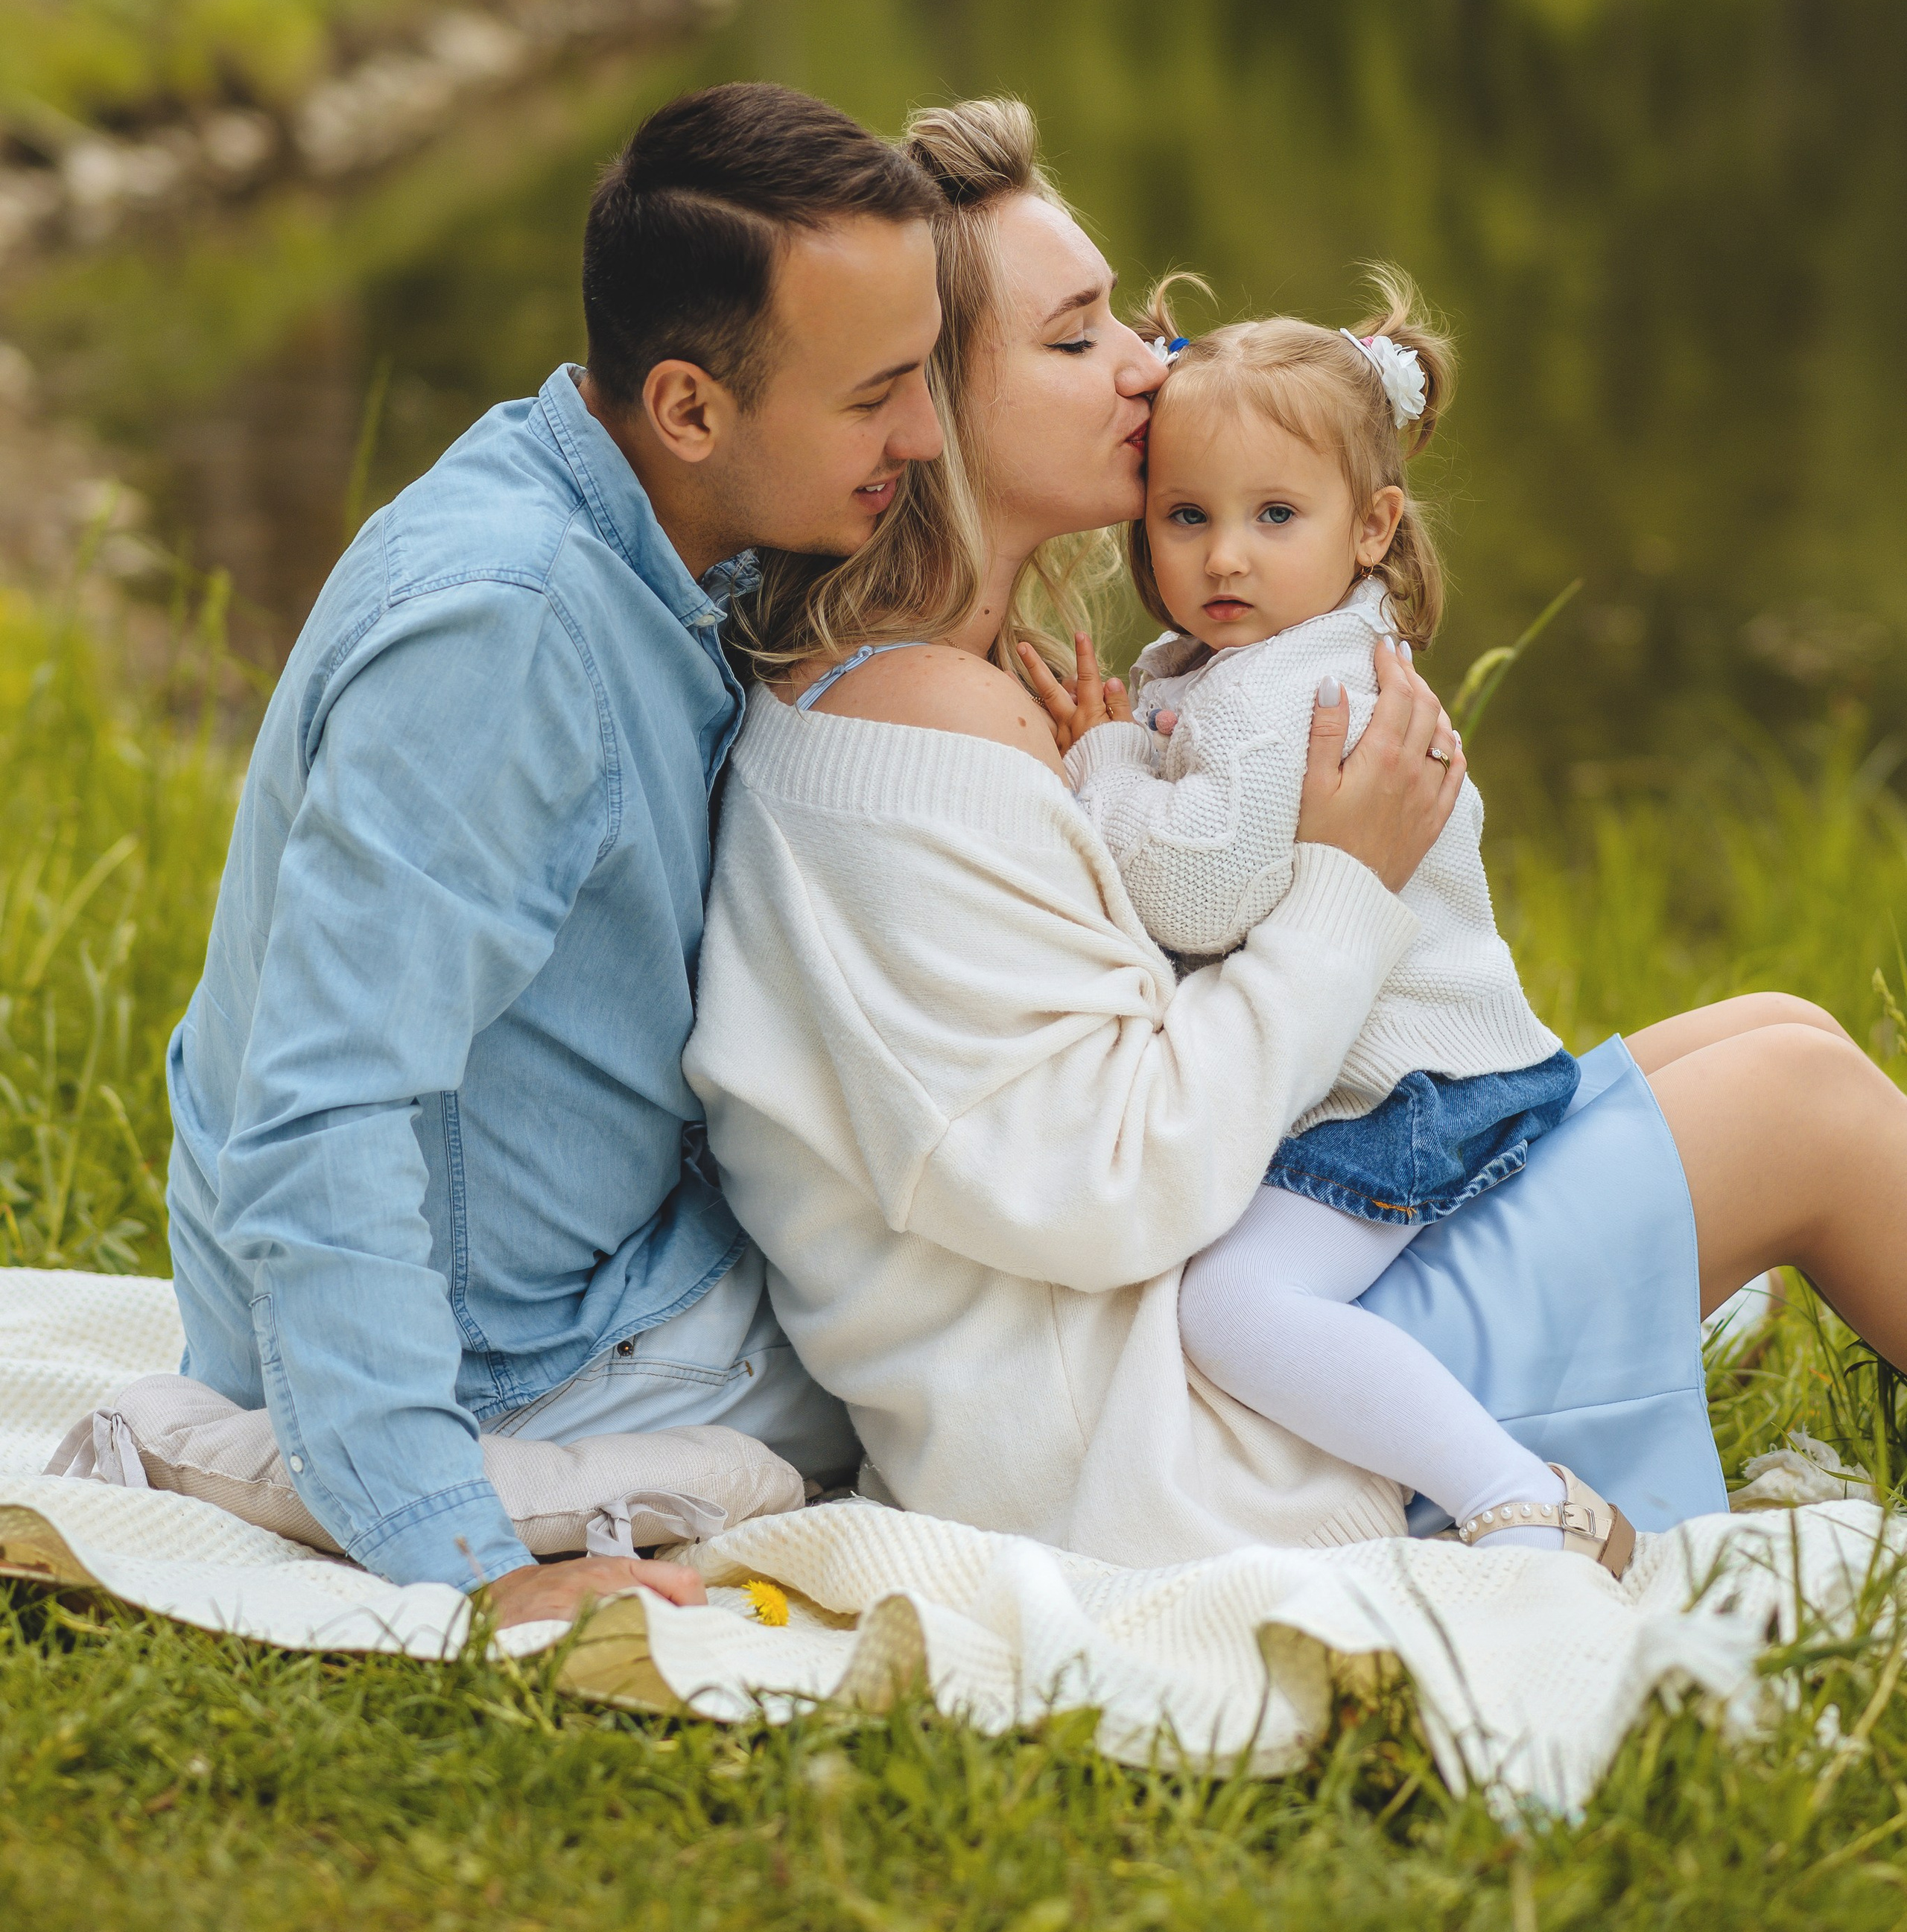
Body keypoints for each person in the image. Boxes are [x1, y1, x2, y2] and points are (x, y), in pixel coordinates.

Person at [685, 95, 1907, 1569]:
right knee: (1798, 1103)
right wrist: (1342, 880)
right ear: (919, 403)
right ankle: (1516, 1468)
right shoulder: (921, 735)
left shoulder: (951, 693)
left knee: (1763, 1025)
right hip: (1188, 1428)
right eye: (1076, 340)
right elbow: (1118, 1181)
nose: (1150, 368)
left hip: (1210, 1312)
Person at [165, 81, 951, 1628]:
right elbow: (325, 1101)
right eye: (875, 397)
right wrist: (450, 1553)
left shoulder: (619, 516)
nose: (919, 438)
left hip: (583, 1261)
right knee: (998, 1346)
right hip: (505, 1360)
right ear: (687, 408)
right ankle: (371, 1468)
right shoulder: (506, 630)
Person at [1024, 277, 1607, 1564]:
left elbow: (1195, 893)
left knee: (1229, 1307)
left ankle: (1517, 1495)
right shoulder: (1239, 665)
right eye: (1187, 515)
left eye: (1274, 514)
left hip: (1405, 1088)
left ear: (1371, 526)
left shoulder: (1285, 692)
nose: (1224, 555)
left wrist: (1103, 762)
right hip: (1405, 1063)